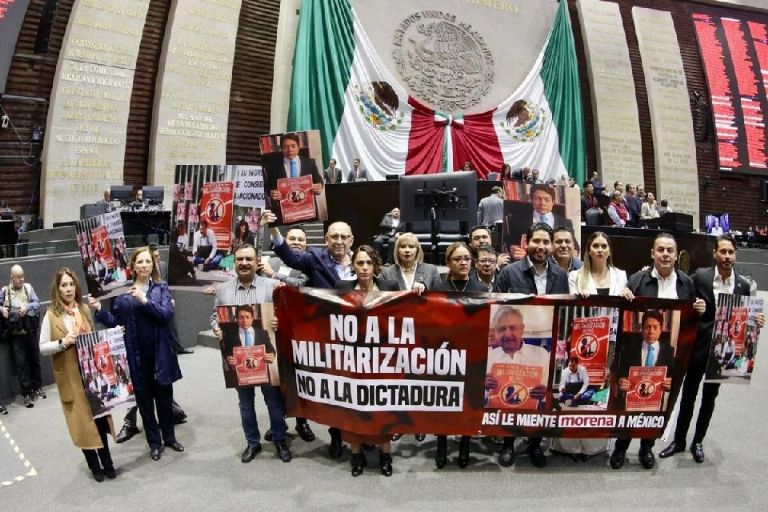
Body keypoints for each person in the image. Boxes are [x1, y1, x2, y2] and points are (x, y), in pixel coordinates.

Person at [659, 234, 764, 463]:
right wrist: (695, 308)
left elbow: (744, 321)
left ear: (735, 255)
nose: (727, 257)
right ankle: (678, 441)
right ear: (715, 253)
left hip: (723, 355)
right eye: (723, 252)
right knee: (688, 396)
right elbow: (686, 307)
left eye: (730, 252)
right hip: (698, 349)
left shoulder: (744, 286)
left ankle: (698, 441)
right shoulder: (701, 277)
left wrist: (756, 322)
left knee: (709, 399)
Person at [610, 233, 705, 470]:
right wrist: (623, 295)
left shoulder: (687, 283)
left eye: (669, 250)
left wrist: (699, 309)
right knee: (630, 402)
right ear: (652, 253)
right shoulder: (638, 279)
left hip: (666, 357)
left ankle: (646, 448)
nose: (665, 254)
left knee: (657, 404)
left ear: (676, 255)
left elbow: (689, 319)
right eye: (660, 249)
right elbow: (622, 314)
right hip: (636, 355)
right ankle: (621, 447)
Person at [263, 209, 351, 456]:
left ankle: (358, 433)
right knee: (333, 387)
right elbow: (291, 258)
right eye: (334, 236)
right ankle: (335, 435)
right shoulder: (314, 259)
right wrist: (274, 229)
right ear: (326, 240)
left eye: (344, 237)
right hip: (323, 335)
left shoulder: (361, 261)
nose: (339, 241)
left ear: (351, 240)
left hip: (355, 338)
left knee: (352, 388)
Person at [90, 246, 184, 462]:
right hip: (135, 357)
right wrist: (98, 310)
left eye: (148, 262)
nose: (144, 265)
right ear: (132, 266)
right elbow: (115, 322)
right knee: (144, 403)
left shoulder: (160, 289)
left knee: (164, 399)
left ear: (153, 265)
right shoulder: (122, 293)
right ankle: (154, 443)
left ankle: (169, 437)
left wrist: (144, 300)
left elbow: (166, 315)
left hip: (160, 354)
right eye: (140, 262)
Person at [493, 222, 568, 468]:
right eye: (537, 241)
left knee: (540, 396)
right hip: (512, 346)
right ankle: (507, 444)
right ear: (527, 243)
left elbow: (564, 310)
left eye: (546, 242)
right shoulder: (509, 273)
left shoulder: (561, 275)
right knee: (510, 391)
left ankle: (536, 444)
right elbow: (495, 309)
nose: (541, 247)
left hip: (545, 348)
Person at [211, 244, 292, 463]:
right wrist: (216, 327)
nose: (244, 263)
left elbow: (287, 314)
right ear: (234, 262)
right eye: (239, 259)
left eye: (249, 259)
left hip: (265, 353)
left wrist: (279, 321)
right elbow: (214, 316)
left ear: (257, 262)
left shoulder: (273, 286)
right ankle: (252, 443)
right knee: (245, 403)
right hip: (237, 357)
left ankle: (280, 440)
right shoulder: (223, 290)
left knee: (273, 403)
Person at [39, 268, 116, 481]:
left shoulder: (84, 309)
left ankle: (107, 461)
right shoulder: (51, 315)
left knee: (99, 419)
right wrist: (63, 343)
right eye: (64, 285)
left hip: (91, 374)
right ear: (58, 288)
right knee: (82, 424)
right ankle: (95, 467)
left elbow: (94, 338)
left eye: (71, 284)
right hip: (71, 378)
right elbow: (43, 347)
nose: (68, 289)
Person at [335, 246, 398, 476]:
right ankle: (356, 455)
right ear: (353, 266)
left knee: (384, 408)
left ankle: (385, 455)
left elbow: (404, 317)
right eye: (359, 263)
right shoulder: (341, 288)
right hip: (352, 359)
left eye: (368, 263)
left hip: (383, 359)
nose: (364, 267)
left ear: (376, 266)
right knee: (353, 408)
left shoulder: (390, 287)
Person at [432, 241, 486, 469]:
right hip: (445, 355)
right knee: (443, 402)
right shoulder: (439, 288)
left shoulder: (481, 289)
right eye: (457, 259)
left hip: (472, 355)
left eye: (466, 259)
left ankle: (465, 443)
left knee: (468, 403)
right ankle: (441, 444)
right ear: (448, 263)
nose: (463, 263)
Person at [485, 305, 551, 468]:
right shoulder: (489, 357)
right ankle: (508, 445)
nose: (508, 334)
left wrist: (545, 391)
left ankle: (535, 446)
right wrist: (483, 385)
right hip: (502, 409)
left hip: (534, 408)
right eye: (502, 329)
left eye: (513, 328)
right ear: (495, 332)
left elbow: (549, 386)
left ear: (522, 329)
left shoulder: (541, 353)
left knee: (545, 407)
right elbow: (481, 394)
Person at [1, 264, 43, 408]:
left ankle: (37, 387)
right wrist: (2, 309)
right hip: (16, 335)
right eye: (18, 277)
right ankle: (26, 393)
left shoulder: (28, 288)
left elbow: (37, 304)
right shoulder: (5, 292)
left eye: (22, 276)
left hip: (30, 332)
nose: (21, 279)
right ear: (11, 277)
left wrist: (28, 307)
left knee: (35, 360)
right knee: (21, 365)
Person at [265, 133, 324, 224]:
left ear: (298, 147)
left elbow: (319, 180)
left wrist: (319, 186)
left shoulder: (309, 162)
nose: (290, 149)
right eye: (286, 147)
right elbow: (269, 186)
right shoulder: (273, 166)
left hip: (308, 211)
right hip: (286, 213)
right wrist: (271, 192)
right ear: (281, 148)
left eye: (293, 146)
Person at [568, 232, 628, 296]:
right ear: (589, 251)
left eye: (604, 246)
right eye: (595, 246)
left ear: (609, 251)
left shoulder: (621, 275)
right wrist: (579, 298)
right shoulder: (574, 276)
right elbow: (572, 305)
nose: (600, 250)